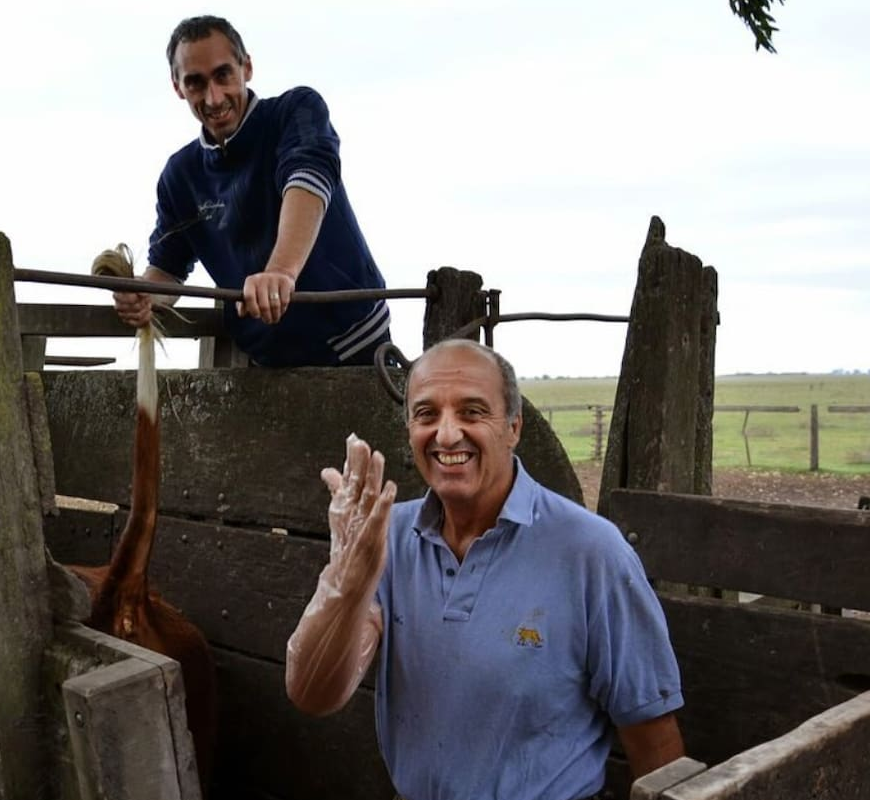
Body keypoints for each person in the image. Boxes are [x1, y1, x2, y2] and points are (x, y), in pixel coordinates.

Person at [284, 339, 685, 800]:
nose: (446, 435)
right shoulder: (385, 537)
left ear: (513, 427)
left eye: (472, 412)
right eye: (426, 414)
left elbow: (653, 740)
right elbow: (313, 695)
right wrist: (347, 586)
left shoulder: (591, 552)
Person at [111, 15, 392, 367]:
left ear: (247, 67)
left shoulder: (296, 110)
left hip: (355, 346)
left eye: (223, 75)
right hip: (266, 366)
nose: (214, 98)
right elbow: (167, 268)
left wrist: (281, 271)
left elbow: (308, 178)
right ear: (178, 87)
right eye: (196, 83)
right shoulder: (179, 175)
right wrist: (145, 296)